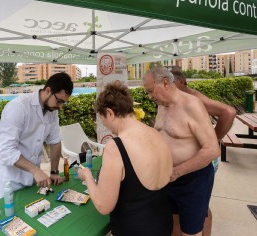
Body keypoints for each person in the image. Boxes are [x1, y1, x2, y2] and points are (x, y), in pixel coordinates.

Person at [78, 81, 173, 236]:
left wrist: (87, 176)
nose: (106, 126)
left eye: (103, 120)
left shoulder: (116, 147)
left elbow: (103, 206)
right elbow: (168, 174)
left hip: (135, 229)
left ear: (109, 113)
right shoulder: (155, 133)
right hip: (163, 222)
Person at [143, 67, 220, 236]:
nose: (149, 96)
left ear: (164, 83)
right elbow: (165, 135)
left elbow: (212, 149)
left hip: (192, 180)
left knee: (191, 231)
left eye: (150, 91)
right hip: (168, 178)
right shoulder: (161, 106)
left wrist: (177, 172)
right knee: (172, 227)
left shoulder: (191, 105)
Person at [0, 72, 73, 201]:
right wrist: (35, 170)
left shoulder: (52, 111)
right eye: (59, 101)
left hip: (32, 177)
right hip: (9, 179)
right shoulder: (18, 107)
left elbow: (55, 141)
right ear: (48, 90)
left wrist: (54, 172)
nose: (60, 107)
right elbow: (5, 150)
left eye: (63, 103)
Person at [171, 70, 236, 236]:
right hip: (193, 161)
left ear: (182, 82)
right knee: (196, 206)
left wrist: (214, 139)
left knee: (201, 206)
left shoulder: (194, 99)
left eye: (173, 84)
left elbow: (228, 112)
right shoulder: (175, 100)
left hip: (203, 159)